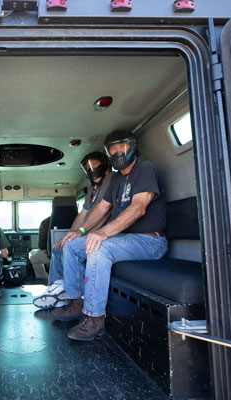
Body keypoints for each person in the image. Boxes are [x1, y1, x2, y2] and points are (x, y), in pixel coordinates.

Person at [52, 131, 167, 341]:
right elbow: (103, 208)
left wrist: (103, 233)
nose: (117, 152)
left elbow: (139, 207)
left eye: (120, 147)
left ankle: (94, 319)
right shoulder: (115, 178)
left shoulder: (145, 169)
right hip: (124, 240)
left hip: (150, 241)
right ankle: (75, 303)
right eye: (112, 149)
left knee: (99, 247)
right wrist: (82, 231)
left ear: (132, 146)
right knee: (72, 244)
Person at [33, 151, 115, 309]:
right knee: (60, 247)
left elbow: (105, 213)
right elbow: (82, 214)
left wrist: (82, 232)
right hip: (90, 232)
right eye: (87, 166)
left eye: (95, 164)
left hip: (104, 234)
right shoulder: (93, 189)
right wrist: (69, 235)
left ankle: (73, 297)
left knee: (70, 247)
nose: (91, 168)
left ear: (105, 165)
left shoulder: (111, 180)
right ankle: (56, 287)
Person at [28, 216, 51, 280]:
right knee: (33, 251)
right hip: (70, 254)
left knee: (33, 256)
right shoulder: (76, 220)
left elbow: (41, 245)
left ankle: (44, 278)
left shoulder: (46, 222)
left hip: (51, 254)